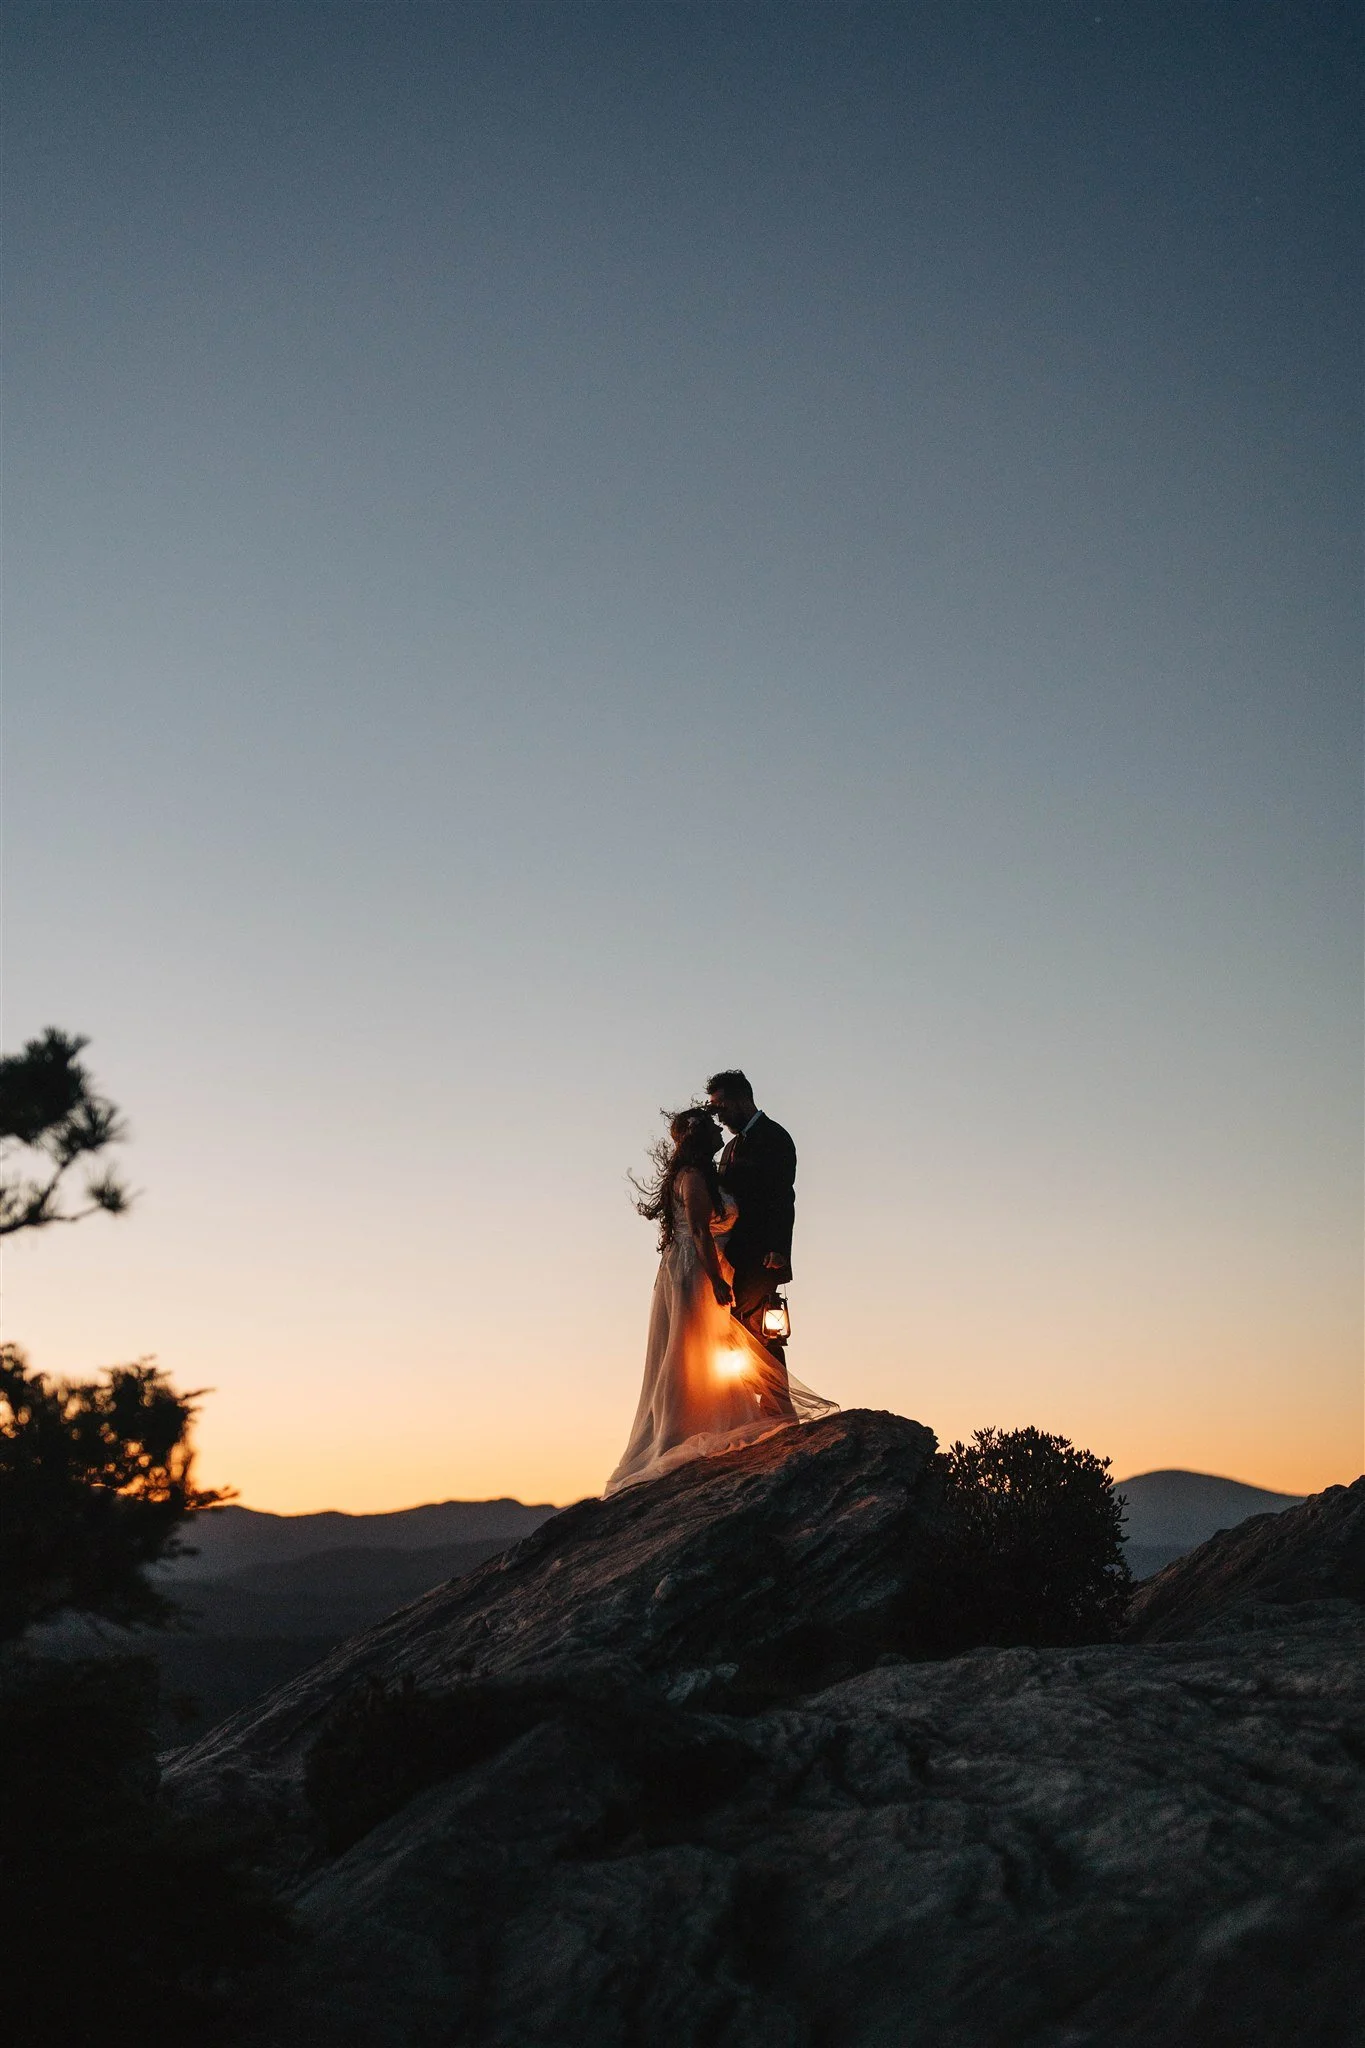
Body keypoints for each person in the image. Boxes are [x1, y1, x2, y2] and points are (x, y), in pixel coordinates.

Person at [604, 1105, 835, 1496]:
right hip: (695, 1272)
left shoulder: (711, 1171)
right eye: (712, 1126)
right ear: (698, 1137)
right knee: (689, 1349)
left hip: (713, 1268)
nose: (719, 1129)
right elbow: (697, 1229)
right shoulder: (693, 1176)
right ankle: (682, 1432)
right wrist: (714, 1280)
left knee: (708, 1347)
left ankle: (719, 1418)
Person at [706, 1069, 797, 1361]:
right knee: (734, 1331)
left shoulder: (775, 1137)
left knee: (763, 1335)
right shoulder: (728, 1149)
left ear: (742, 1099)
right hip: (732, 1255)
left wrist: (779, 1248)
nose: (719, 1117)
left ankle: (775, 1406)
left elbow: (783, 1195)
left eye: (722, 1107)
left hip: (763, 1255)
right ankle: (744, 1405)